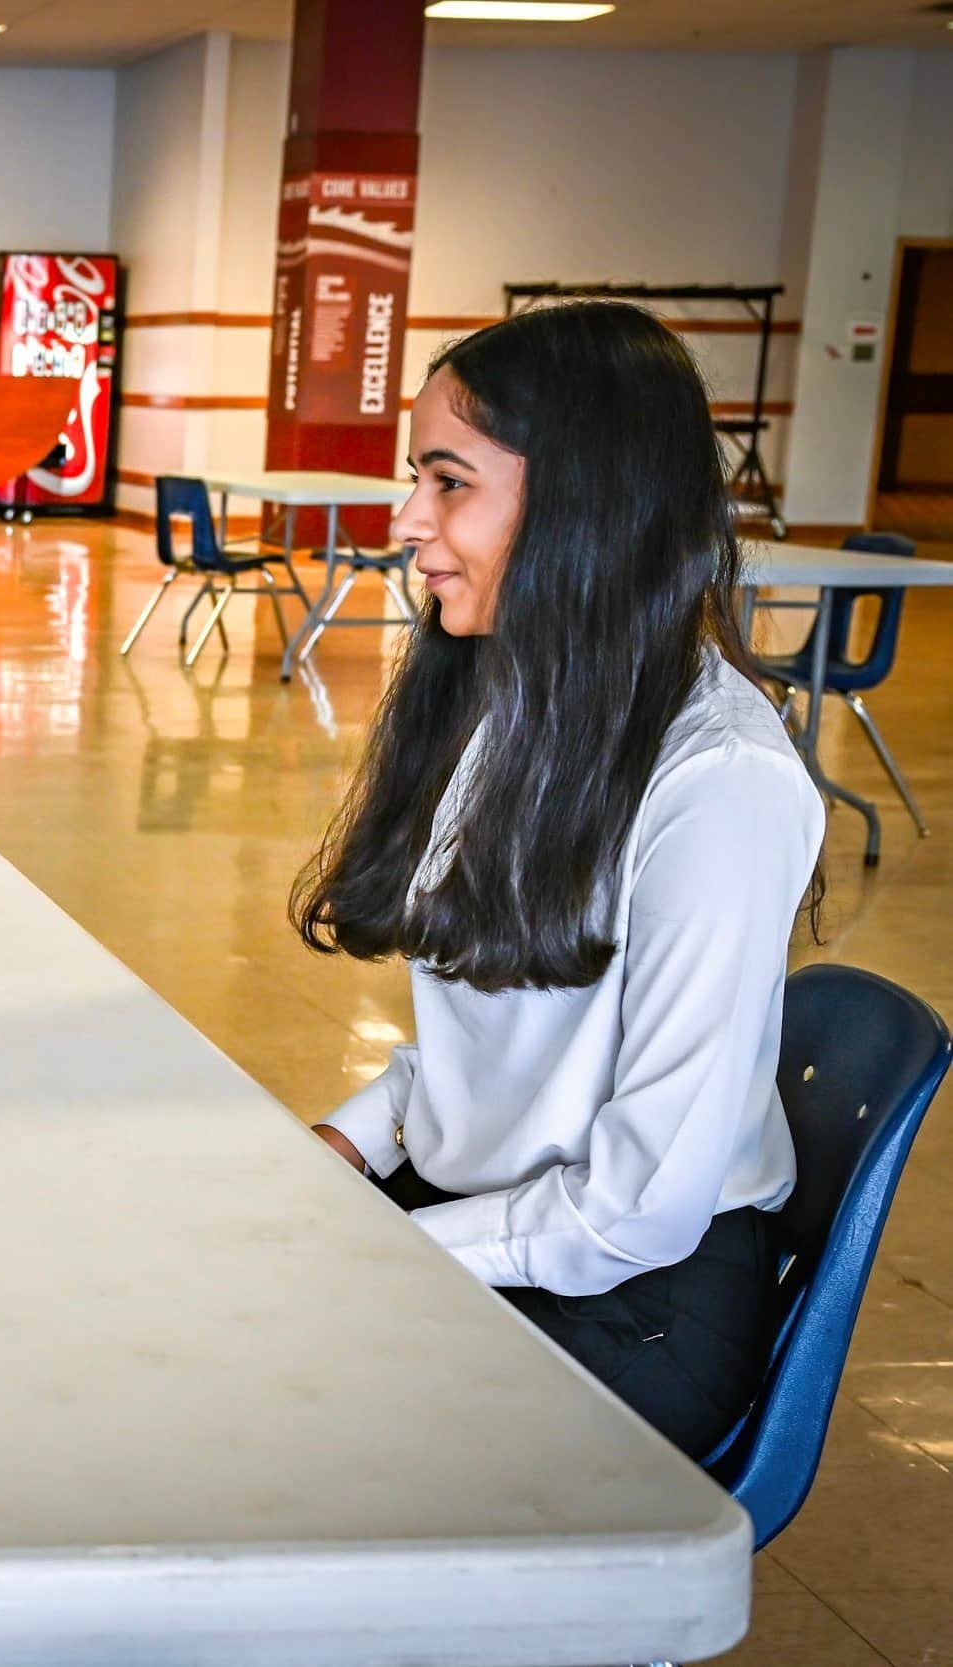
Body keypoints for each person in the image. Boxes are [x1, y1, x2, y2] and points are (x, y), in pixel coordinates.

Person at [294, 301, 822, 1461]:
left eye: (448, 483)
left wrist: (385, 1247)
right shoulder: (515, 698)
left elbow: (638, 1208)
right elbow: (515, 1043)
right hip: (489, 1223)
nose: (408, 523)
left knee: (271, 1426)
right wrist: (349, 1140)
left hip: (628, 1302)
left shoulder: (718, 782)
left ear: (589, 503)